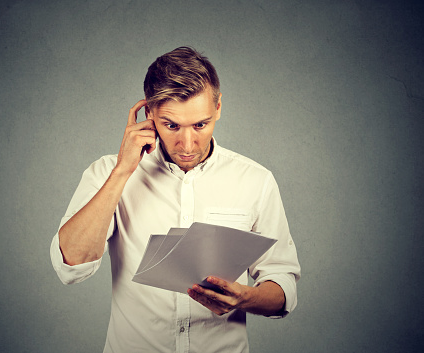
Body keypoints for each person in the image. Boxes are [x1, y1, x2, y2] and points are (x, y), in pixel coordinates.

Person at [50, 46, 301, 353]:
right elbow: (71, 266)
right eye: (171, 125)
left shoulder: (255, 180)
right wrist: (122, 172)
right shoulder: (107, 173)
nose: (187, 143)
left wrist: (243, 298)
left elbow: (283, 285)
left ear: (218, 108)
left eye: (200, 124)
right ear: (148, 114)